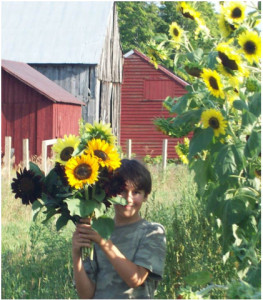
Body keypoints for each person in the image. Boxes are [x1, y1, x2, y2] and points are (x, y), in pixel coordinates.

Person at [72, 159, 166, 299]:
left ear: (146, 196)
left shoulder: (152, 232)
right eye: (122, 191)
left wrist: (103, 241)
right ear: (110, 192)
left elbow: (136, 279)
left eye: (136, 192)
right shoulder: (97, 230)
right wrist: (76, 254)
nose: (128, 199)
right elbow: (86, 295)